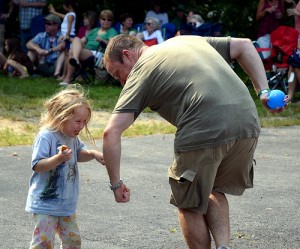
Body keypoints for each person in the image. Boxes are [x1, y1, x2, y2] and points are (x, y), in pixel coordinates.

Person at [102, 34, 287, 249]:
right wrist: (263, 91)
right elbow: (244, 45)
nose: (123, 82)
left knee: (188, 203)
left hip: (205, 127)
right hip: (247, 123)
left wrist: (116, 184)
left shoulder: (142, 69)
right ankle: (223, 247)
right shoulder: (186, 40)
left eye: (118, 75)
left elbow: (110, 133)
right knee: (214, 189)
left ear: (127, 55)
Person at [25, 85, 105, 248]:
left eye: (84, 122)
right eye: (77, 121)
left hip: (66, 203)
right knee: (43, 243)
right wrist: (59, 158)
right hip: (45, 203)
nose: (81, 126)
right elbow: (38, 165)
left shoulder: (71, 137)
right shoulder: (46, 136)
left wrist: (93, 154)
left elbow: (79, 154)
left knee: (73, 241)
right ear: (62, 116)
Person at [59, 9, 118, 86]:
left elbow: (112, 45)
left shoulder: (112, 31)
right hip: (87, 51)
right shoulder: (94, 30)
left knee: (71, 52)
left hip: (99, 54)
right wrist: (67, 38)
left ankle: (68, 78)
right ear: (100, 20)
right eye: (104, 19)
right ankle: (75, 60)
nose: (106, 21)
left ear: (111, 21)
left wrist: (103, 40)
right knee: (76, 39)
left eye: (109, 20)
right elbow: (81, 41)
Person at [48, 0, 77, 79]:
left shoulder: (71, 15)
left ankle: (65, 75)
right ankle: (64, 75)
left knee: (67, 56)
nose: (63, 7)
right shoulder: (69, 14)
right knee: (66, 56)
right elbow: (65, 17)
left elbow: (69, 27)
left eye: (64, 5)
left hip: (69, 36)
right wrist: (54, 12)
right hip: (66, 36)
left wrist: (66, 36)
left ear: (69, 5)